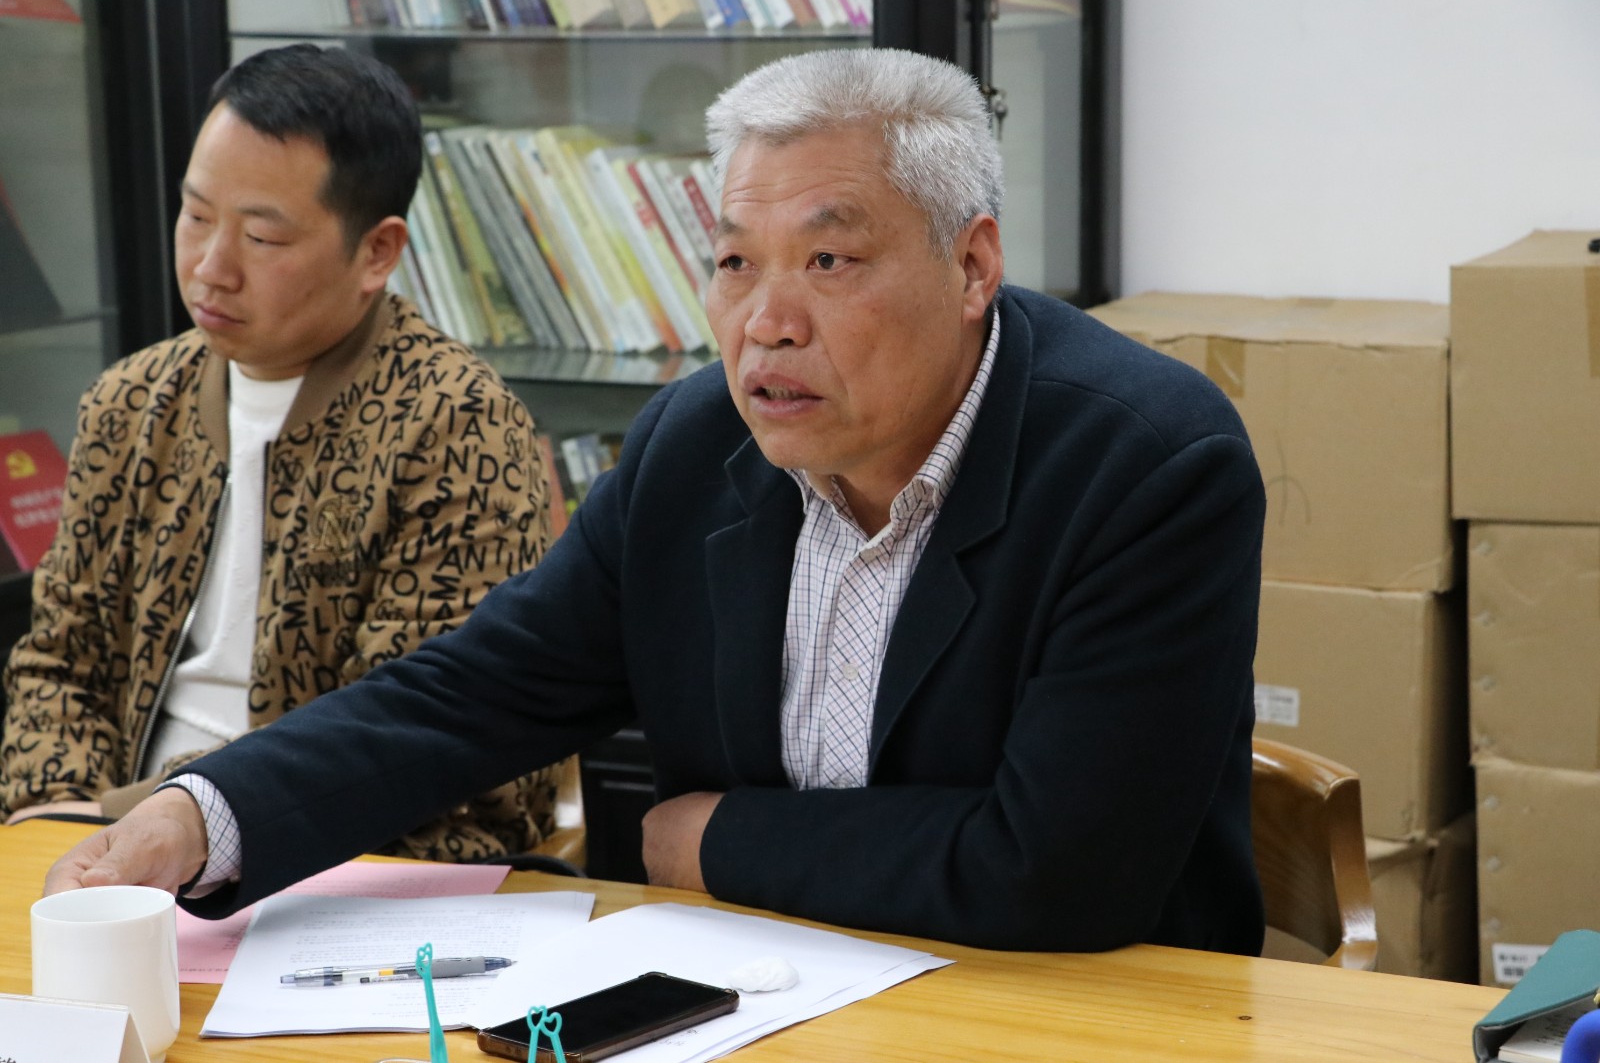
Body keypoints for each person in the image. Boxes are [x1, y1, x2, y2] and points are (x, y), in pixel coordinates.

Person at [44, 48, 1267, 955]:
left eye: (828, 260)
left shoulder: (1148, 468)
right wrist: (201, 815)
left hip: (1076, 1009)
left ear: (972, 266)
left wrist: (708, 839)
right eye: (734, 262)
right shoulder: (696, 444)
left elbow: (1055, 874)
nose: (765, 322)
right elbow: (474, 691)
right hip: (759, 990)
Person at [4, 44, 566, 862]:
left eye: (263, 237)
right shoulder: (132, 401)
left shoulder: (454, 423)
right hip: (109, 848)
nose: (210, 268)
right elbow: (59, 658)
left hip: (340, 858)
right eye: (196, 215)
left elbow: (408, 736)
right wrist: (58, 814)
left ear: (377, 252)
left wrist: (138, 820)